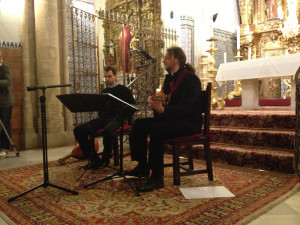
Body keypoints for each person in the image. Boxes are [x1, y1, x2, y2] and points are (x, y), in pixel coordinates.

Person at [125, 46, 203, 192]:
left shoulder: (190, 78)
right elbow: (162, 100)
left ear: (176, 59)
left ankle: (156, 177)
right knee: (138, 124)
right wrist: (154, 102)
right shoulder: (169, 80)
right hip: (173, 120)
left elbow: (188, 108)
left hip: (189, 123)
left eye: (166, 57)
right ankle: (142, 166)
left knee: (157, 129)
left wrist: (164, 109)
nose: (163, 61)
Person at [73, 66, 136, 169]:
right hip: (103, 118)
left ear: (115, 76)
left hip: (116, 119)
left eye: (109, 76)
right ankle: (93, 158)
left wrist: (123, 116)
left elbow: (133, 106)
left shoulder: (123, 90)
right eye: (105, 77)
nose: (107, 79)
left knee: (107, 130)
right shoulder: (104, 91)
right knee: (78, 129)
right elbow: (100, 107)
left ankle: (105, 160)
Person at [0, 50, 15, 157]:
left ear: (1, 56)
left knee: (5, 125)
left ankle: (5, 148)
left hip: (5, 102)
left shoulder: (6, 68)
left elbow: (8, 81)